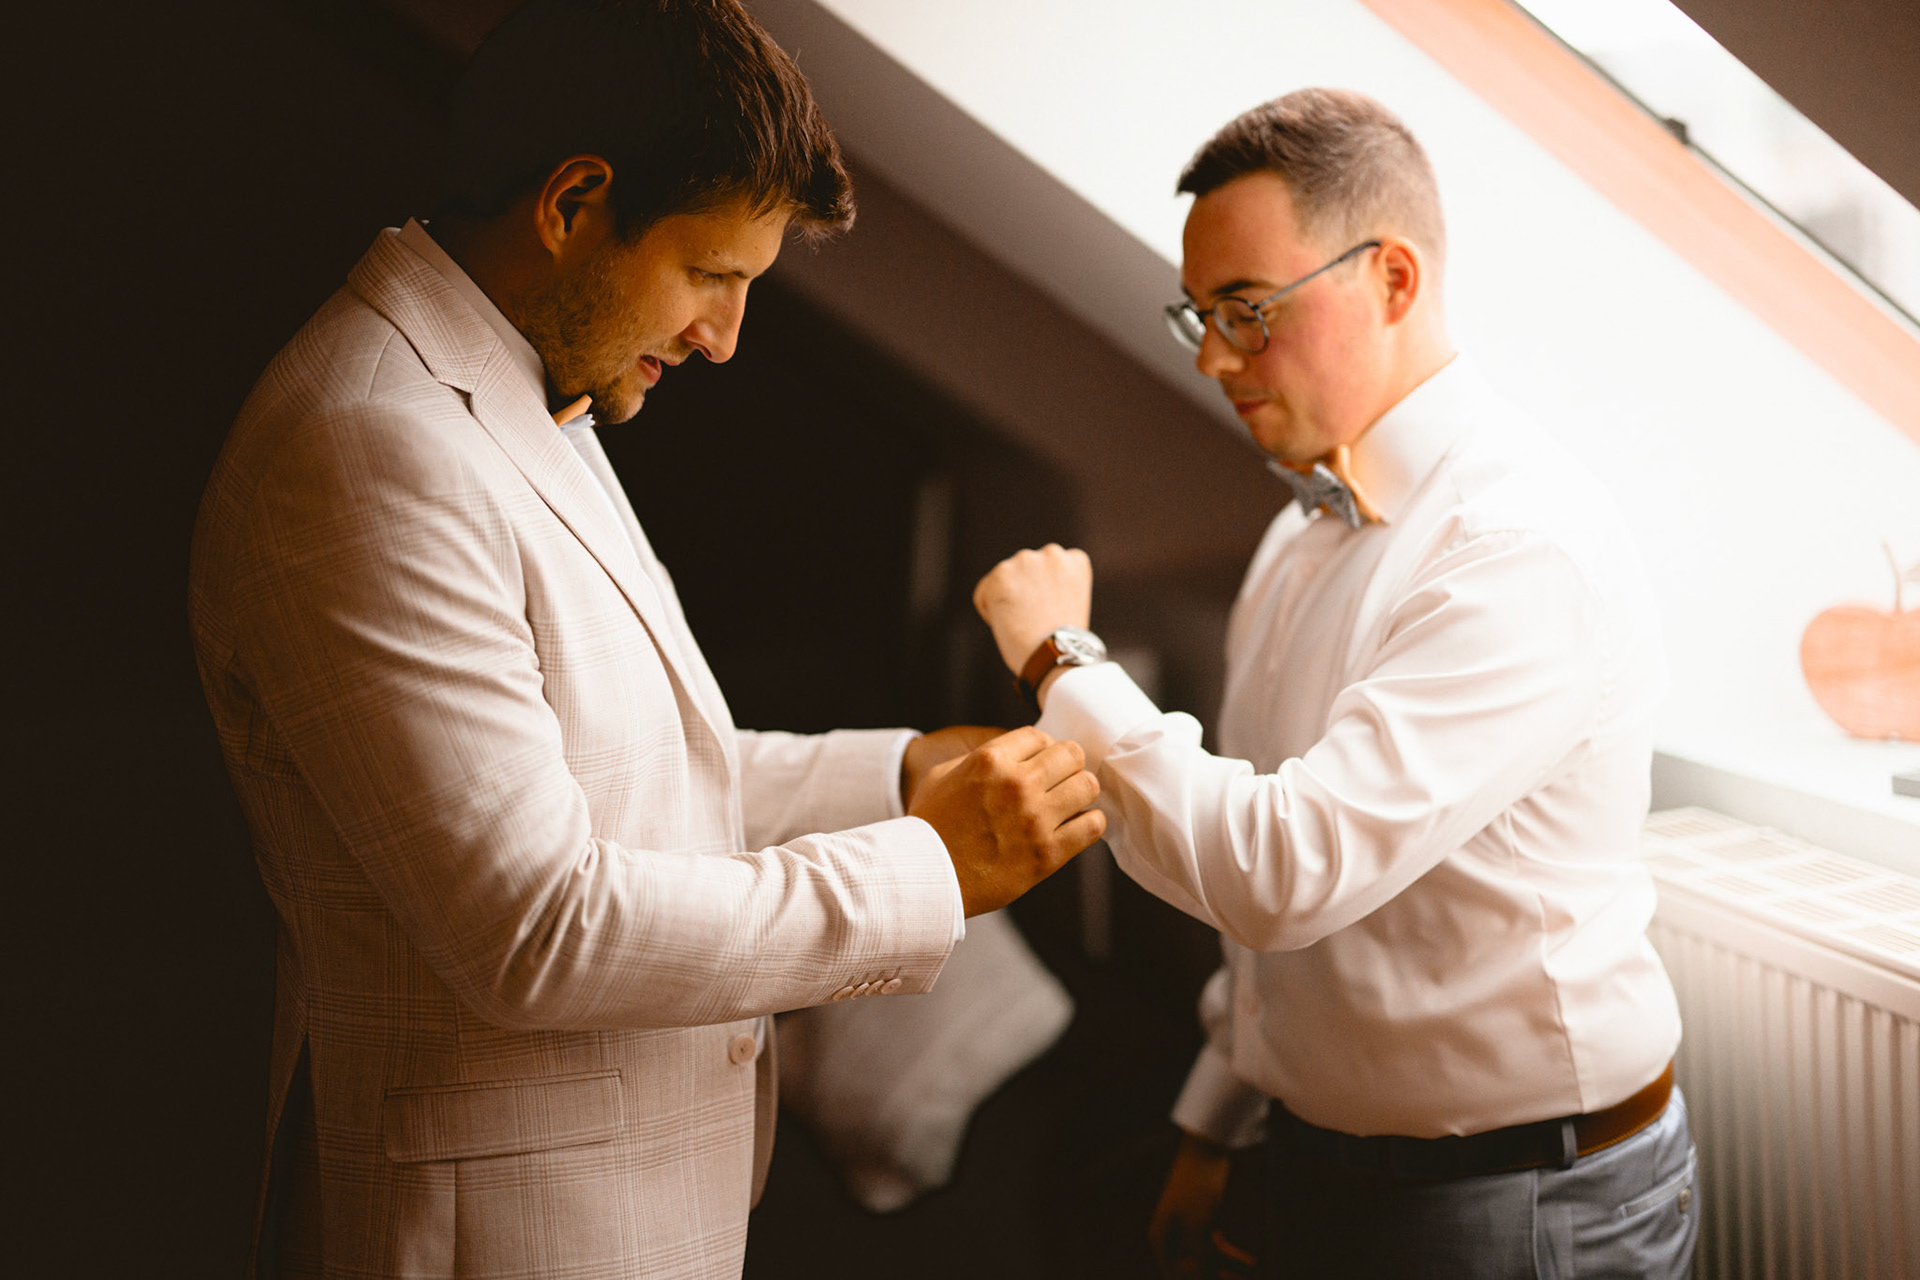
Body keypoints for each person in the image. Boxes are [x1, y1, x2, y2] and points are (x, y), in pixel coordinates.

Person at [188, 2, 1103, 1276]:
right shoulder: (369, 443)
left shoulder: (522, 387)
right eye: (711, 275)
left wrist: (894, 775)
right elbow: (537, 925)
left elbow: (640, 778)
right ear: (573, 203)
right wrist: (926, 865)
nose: (725, 337)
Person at [972, 89, 1696, 1278]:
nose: (1214, 358)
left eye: (1247, 310)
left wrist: (1061, 659)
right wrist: (1217, 1117)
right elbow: (1277, 916)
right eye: (1199, 316)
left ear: (1393, 279)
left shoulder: (1519, 543)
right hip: (1319, 1162)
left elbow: (1281, 869)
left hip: (1521, 1197)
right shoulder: (1299, 533)